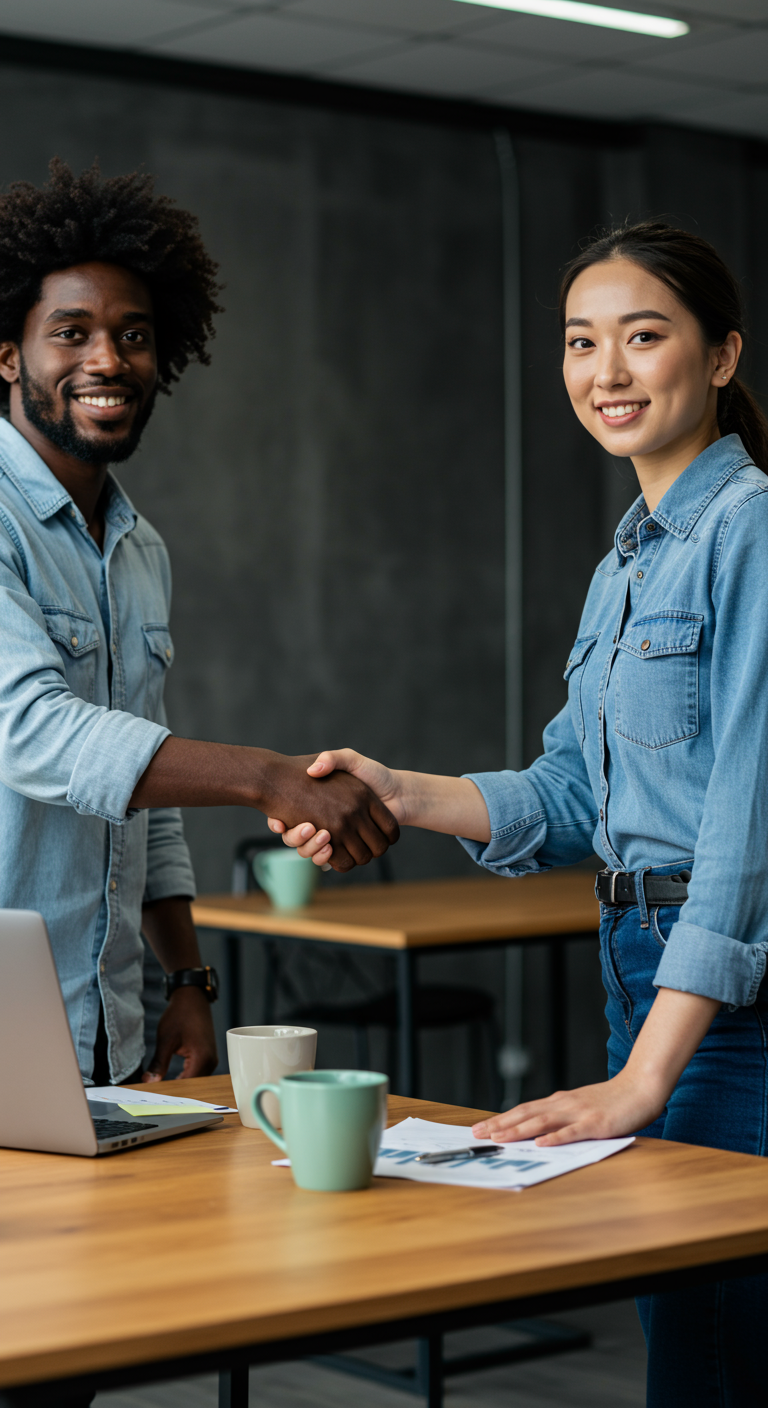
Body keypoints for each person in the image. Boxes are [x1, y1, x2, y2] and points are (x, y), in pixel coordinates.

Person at [272, 222, 768, 1406]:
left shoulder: (749, 527)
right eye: (580, 342)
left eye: (643, 337)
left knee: (717, 1357)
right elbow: (565, 793)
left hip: (730, 1005)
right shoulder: (627, 563)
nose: (607, 371)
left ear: (721, 357)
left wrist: (646, 1078)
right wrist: (398, 790)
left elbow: (750, 828)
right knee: (689, 1337)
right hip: (638, 977)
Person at [0, 159, 398, 1092]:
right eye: (72, 332)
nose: (107, 359)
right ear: (8, 354)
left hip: (112, 1023)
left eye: (132, 335)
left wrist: (185, 974)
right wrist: (268, 777)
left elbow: (147, 788)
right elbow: (31, 733)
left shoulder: (141, 549)